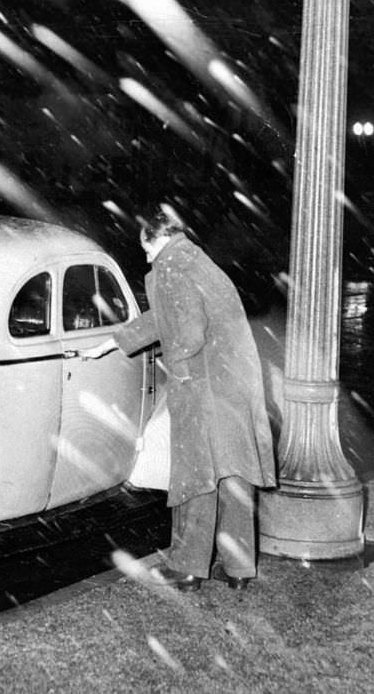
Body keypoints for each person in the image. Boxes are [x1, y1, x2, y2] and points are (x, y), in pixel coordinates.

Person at [82, 207, 276, 591]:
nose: (147, 259)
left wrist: (179, 371)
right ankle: (238, 569)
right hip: (234, 388)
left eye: (147, 250)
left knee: (195, 478)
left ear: (159, 239)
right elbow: (164, 318)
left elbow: (186, 332)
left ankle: (188, 568)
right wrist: (111, 343)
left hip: (202, 389)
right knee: (233, 477)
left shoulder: (172, 267)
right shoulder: (200, 263)